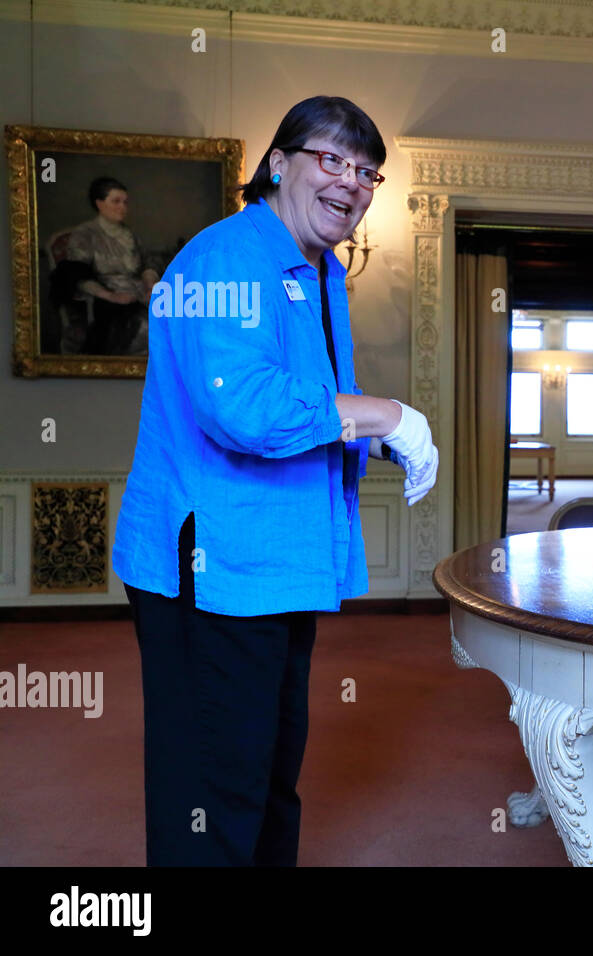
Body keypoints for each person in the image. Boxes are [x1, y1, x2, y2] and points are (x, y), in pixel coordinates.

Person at [112, 96, 439, 866]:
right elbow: (244, 411)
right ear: (278, 165)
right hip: (215, 566)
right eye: (332, 159)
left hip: (279, 563)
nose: (352, 183)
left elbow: (311, 409)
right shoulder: (226, 258)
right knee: (215, 785)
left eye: (367, 172)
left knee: (267, 772)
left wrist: (371, 433)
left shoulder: (318, 272)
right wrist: (388, 414)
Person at [50, 176, 159, 355]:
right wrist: (111, 296)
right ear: (99, 204)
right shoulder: (85, 234)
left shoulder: (130, 235)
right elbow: (75, 274)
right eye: (116, 201)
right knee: (146, 328)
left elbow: (147, 263)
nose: (123, 207)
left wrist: (150, 285)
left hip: (140, 295)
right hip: (106, 301)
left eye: (125, 202)